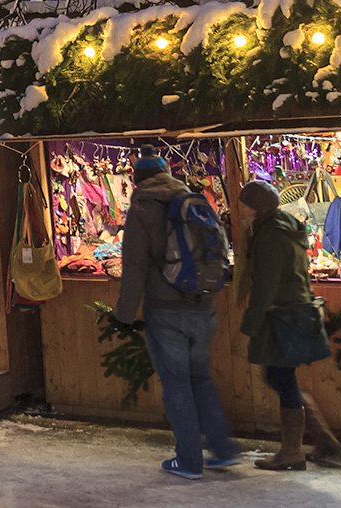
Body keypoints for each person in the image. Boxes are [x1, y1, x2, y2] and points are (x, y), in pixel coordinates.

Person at [114, 147, 241, 480]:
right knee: (201, 378)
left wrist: (124, 315)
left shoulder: (143, 208)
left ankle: (188, 460)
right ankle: (223, 450)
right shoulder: (193, 201)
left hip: (166, 309)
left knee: (177, 384)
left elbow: (135, 267)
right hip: (203, 305)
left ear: (137, 178)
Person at [237, 179, 341, 471]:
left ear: (256, 205)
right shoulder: (281, 225)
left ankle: (293, 450)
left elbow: (266, 285)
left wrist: (249, 327)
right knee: (279, 377)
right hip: (290, 310)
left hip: (281, 314)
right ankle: (321, 438)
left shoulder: (271, 234)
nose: (241, 207)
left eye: (245, 202)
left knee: (280, 378)